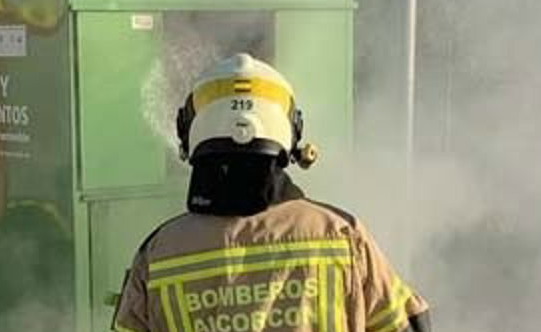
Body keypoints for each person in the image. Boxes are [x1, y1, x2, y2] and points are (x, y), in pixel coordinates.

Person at [113, 53, 432, 332]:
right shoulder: (342, 235)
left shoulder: (159, 253)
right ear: (291, 132)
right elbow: (407, 324)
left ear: (189, 135)